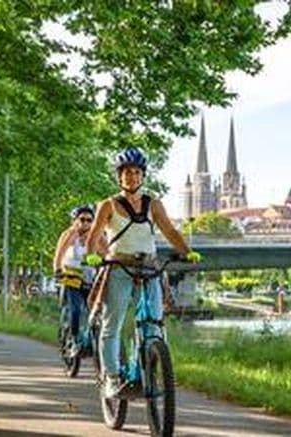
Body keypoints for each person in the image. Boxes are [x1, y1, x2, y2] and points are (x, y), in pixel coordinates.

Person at [84, 147, 202, 398]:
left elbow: (170, 231)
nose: (132, 177)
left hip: (149, 267)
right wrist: (92, 255)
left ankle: (147, 365)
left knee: (154, 322)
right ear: (119, 176)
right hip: (119, 267)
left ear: (143, 175)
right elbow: (94, 236)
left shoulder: (153, 204)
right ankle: (112, 378)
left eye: (136, 172)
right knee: (112, 323)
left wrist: (187, 251)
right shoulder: (108, 205)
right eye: (127, 173)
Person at [52, 204, 105, 354]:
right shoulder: (69, 235)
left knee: (95, 311)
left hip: (90, 279)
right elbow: (59, 254)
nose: (86, 223)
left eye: (90, 220)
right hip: (71, 277)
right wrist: (57, 269)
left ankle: (93, 342)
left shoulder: (98, 236)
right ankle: (74, 339)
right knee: (75, 309)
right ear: (75, 221)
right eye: (82, 219)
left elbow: (107, 254)